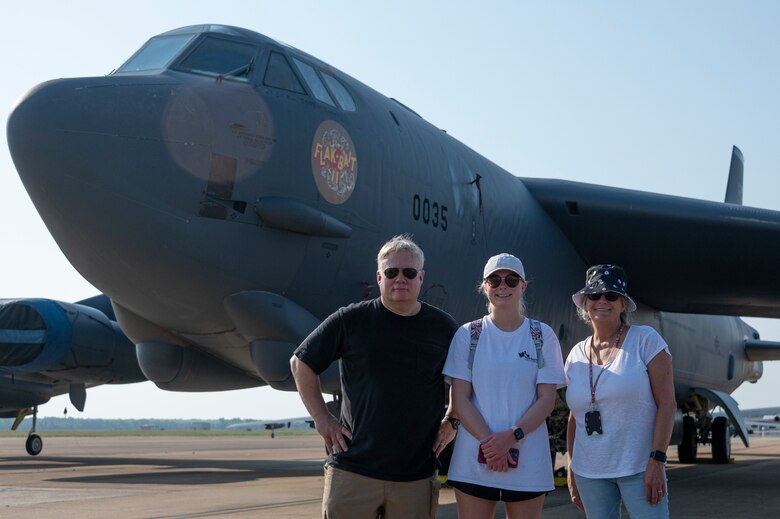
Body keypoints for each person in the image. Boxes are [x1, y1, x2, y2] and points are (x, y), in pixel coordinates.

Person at [290, 234, 459, 519]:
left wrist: (453, 420)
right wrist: (322, 418)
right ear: (379, 277)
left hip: (415, 477)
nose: (400, 279)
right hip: (353, 471)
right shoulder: (350, 320)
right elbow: (301, 362)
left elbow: (466, 379)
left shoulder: (444, 328)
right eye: (391, 272)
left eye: (409, 272)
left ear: (421, 277)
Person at [443, 253, 565, 519]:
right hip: (474, 458)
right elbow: (460, 398)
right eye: (495, 280)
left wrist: (511, 437)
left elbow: (546, 399)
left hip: (527, 458)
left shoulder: (542, 335)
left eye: (511, 280)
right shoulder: (468, 335)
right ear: (484, 286)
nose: (503, 286)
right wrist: (492, 446)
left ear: (523, 286)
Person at [565, 264, 676, 518]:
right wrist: (572, 467)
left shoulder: (646, 341)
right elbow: (575, 417)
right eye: (594, 295)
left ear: (623, 304)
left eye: (611, 295)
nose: (602, 301)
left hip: (639, 468)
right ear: (585, 303)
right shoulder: (575, 356)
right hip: (590, 473)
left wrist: (657, 460)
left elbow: (667, 405)